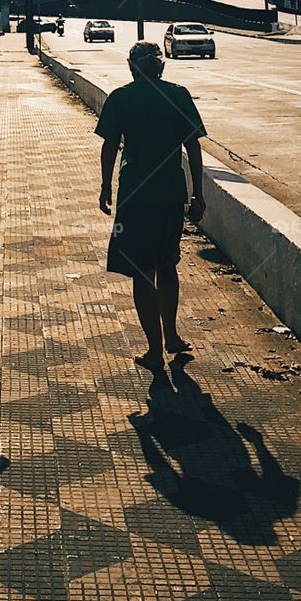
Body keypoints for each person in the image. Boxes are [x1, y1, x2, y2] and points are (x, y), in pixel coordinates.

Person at [95, 40, 206, 373]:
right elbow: (194, 148)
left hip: (134, 198)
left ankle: (154, 350)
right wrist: (197, 194)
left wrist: (104, 187)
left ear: (131, 67)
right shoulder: (178, 94)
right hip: (171, 195)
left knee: (141, 272)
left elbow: (110, 147)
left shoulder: (121, 98)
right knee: (167, 265)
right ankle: (171, 336)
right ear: (161, 67)